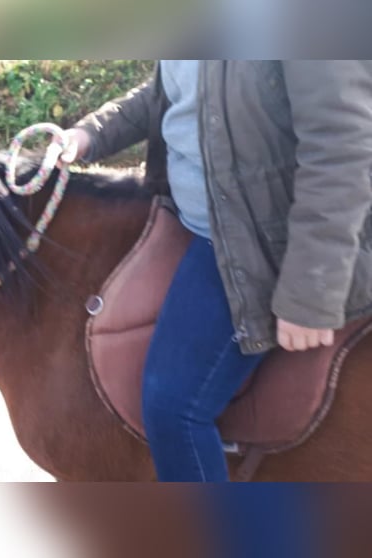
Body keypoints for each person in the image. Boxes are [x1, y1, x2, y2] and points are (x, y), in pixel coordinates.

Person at [59, 60, 372, 482]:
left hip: (257, 246)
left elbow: (341, 152)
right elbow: (169, 90)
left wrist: (311, 291)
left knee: (173, 407)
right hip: (196, 221)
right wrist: (88, 135)